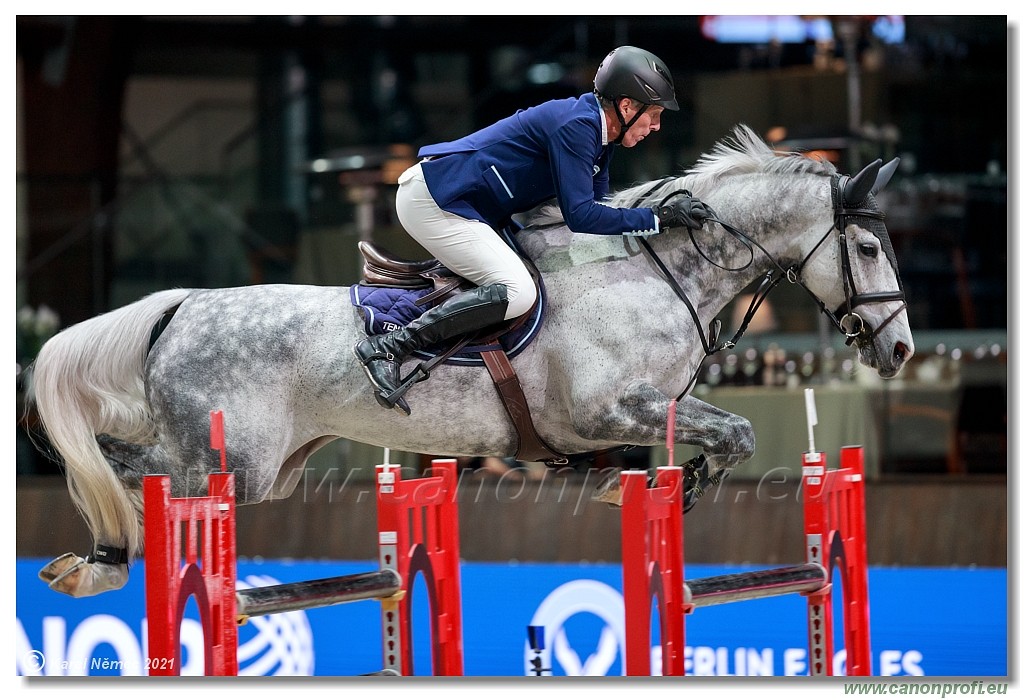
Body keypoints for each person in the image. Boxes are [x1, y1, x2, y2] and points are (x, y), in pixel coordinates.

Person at [355, 46, 716, 415]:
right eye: (653, 115)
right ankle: (391, 346)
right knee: (518, 292)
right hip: (436, 200)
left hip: (471, 206)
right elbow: (582, 217)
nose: (655, 126)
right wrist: (656, 218)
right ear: (626, 107)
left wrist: (655, 215)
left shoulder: (600, 137)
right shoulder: (578, 126)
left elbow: (598, 209)